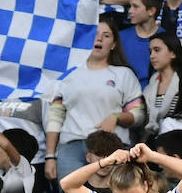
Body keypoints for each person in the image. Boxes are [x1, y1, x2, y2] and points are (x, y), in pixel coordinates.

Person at [44, 21, 145, 180]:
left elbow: (138, 115)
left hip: (112, 148)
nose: (99, 39)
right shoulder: (67, 74)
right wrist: (50, 156)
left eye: (106, 36)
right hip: (72, 147)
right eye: (94, 35)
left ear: (113, 44)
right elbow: (55, 117)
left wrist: (116, 117)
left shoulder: (124, 74)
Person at [141, 34, 182, 139]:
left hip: (178, 140)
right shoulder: (151, 84)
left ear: (173, 53)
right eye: (150, 51)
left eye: (157, 50)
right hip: (151, 141)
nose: (152, 56)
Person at [121, 0, 165, 84]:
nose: (130, 11)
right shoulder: (121, 37)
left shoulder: (165, 39)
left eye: (135, 6)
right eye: (130, 6)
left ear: (151, 11)